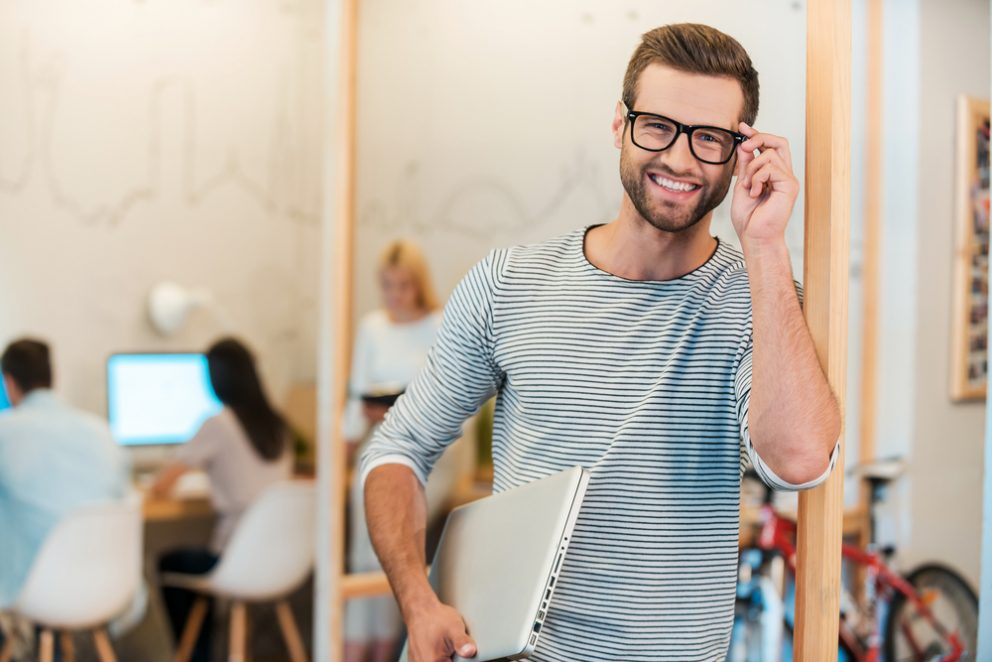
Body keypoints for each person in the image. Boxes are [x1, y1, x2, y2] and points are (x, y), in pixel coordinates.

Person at [359, 23, 842, 661]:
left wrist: (766, 246)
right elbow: (398, 448)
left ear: (740, 150)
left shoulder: (765, 298)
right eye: (657, 126)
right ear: (620, 124)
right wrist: (418, 602)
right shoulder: (510, 284)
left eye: (709, 138)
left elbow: (800, 462)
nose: (679, 158)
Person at [152, 337, 293, 662]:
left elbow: (162, 486)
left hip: (235, 560)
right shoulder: (278, 426)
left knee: (167, 562)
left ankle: (196, 655)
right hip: (280, 562)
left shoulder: (219, 423)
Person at [343, 240, 443, 662]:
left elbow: (453, 400)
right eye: (387, 285)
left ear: (418, 285)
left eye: (403, 285)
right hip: (378, 441)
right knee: (363, 539)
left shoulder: (440, 324)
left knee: (396, 539)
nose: (395, 295)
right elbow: (354, 399)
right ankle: (353, 646)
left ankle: (384, 647)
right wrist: (349, 444)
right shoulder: (372, 327)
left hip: (429, 450)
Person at [0, 338, 128, 609]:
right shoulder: (101, 431)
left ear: (8, 382)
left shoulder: (6, 431)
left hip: (35, 590)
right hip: (108, 586)